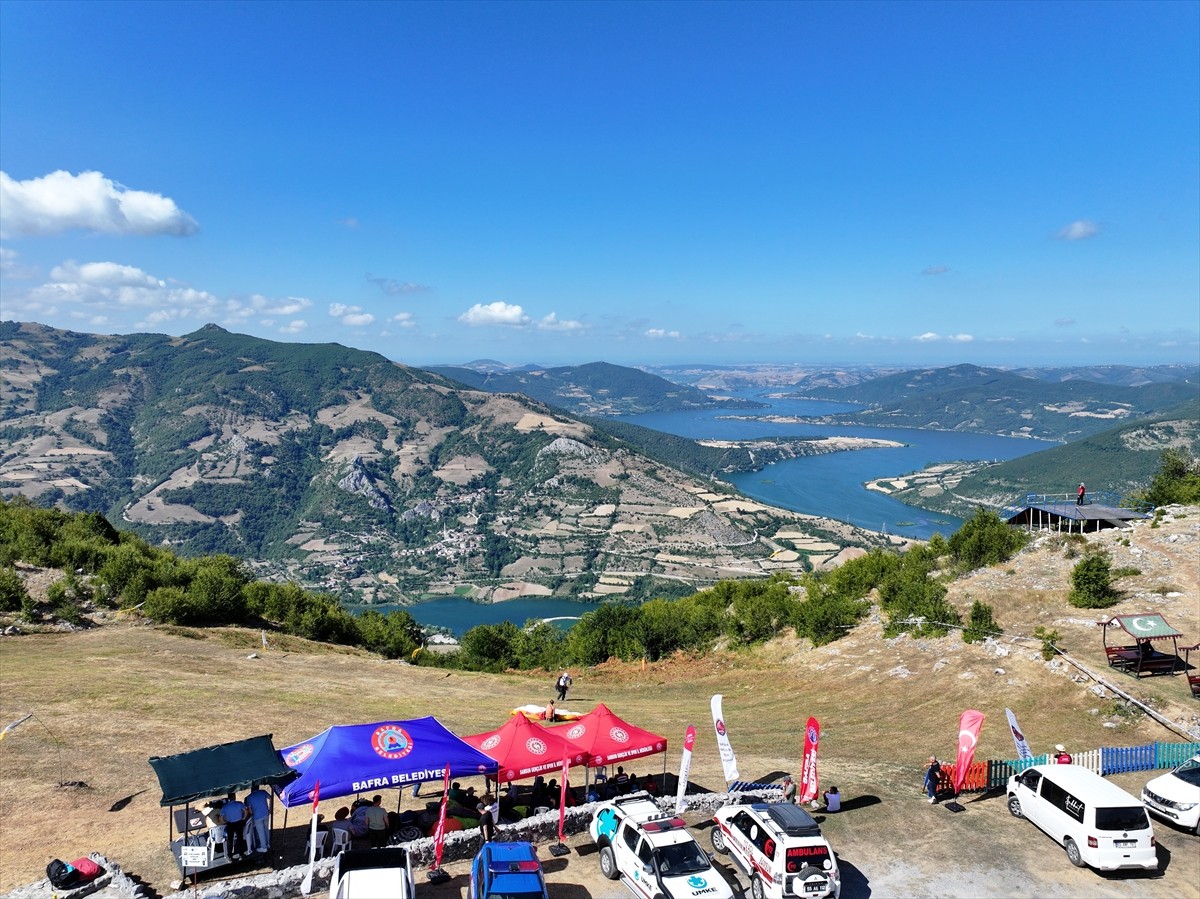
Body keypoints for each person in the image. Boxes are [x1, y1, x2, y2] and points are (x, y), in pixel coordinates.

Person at [244, 784, 271, 855]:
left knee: (260, 832)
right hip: (266, 814)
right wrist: (270, 808)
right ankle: (268, 844)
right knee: (266, 829)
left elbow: (250, 810)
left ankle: (263, 847)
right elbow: (271, 798)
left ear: (251, 789)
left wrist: (252, 813)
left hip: (257, 816)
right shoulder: (263, 792)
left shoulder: (249, 797)